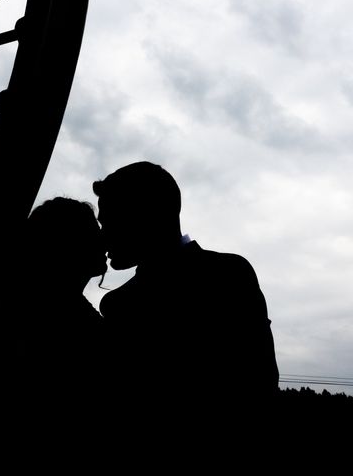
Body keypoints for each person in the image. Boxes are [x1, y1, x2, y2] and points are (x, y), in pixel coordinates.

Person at [92, 161, 279, 412]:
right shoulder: (232, 273)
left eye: (110, 222)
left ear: (145, 216)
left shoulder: (121, 305)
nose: (103, 236)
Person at [0, 197, 108, 415]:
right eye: (93, 232)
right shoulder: (65, 316)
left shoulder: (31, 302)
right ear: (69, 244)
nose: (104, 240)